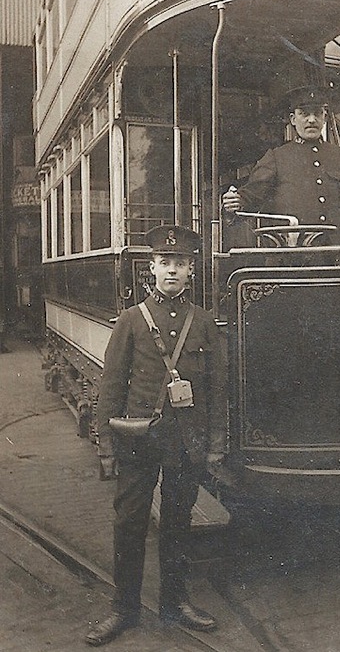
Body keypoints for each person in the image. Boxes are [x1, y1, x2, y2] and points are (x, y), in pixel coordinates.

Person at [85, 225, 226, 647]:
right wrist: (106, 447)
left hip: (186, 442)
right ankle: (123, 609)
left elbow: (217, 387)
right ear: (151, 268)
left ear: (191, 272)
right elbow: (111, 387)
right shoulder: (131, 320)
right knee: (129, 524)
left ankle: (175, 602)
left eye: (180, 264)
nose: (172, 271)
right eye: (165, 263)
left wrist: (216, 440)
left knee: (178, 523)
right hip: (138, 439)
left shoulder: (201, 322)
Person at [222, 86, 340, 243]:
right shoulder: (276, 157)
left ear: (324, 118)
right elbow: (250, 197)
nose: (311, 120)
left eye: (317, 113)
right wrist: (235, 202)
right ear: (293, 119)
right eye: (304, 114)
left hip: (336, 256)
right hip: (293, 260)